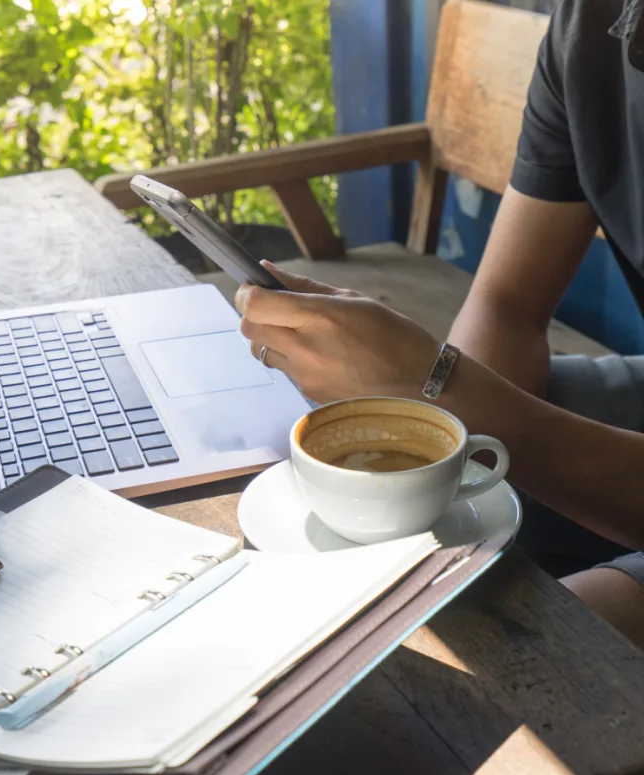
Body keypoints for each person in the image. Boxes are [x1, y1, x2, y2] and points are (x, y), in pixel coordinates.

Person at [235, 0, 644, 648]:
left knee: (542, 645)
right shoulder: (590, 24)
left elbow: (458, 386)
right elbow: (508, 304)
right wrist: (436, 452)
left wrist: (433, 384)